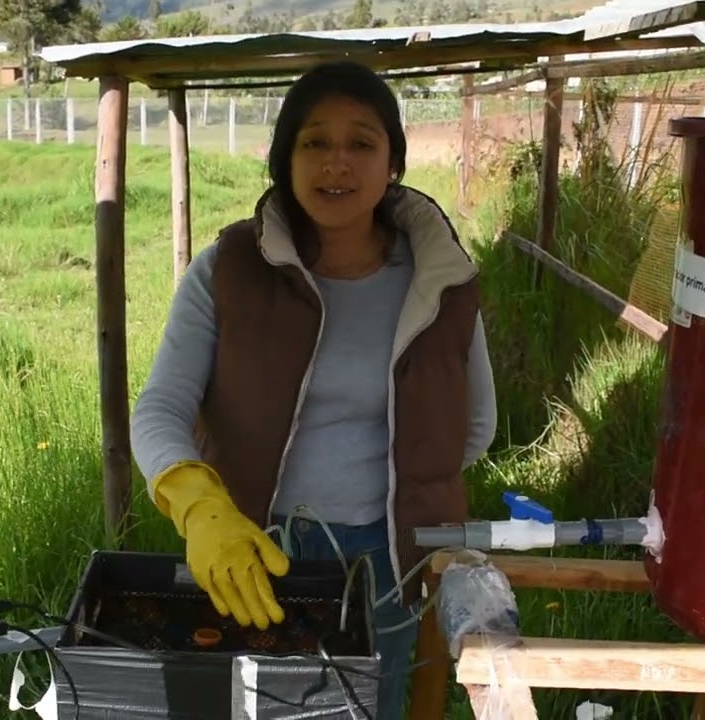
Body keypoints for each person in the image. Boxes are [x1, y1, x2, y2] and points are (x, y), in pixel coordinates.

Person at [129, 59, 498, 719]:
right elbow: (159, 410)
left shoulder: (443, 279)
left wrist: (407, 496)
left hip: (392, 563)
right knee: (258, 708)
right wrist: (200, 508)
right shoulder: (229, 270)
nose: (338, 163)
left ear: (393, 163)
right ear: (284, 159)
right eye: (315, 142)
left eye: (361, 142)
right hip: (257, 551)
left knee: (368, 708)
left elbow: (474, 429)